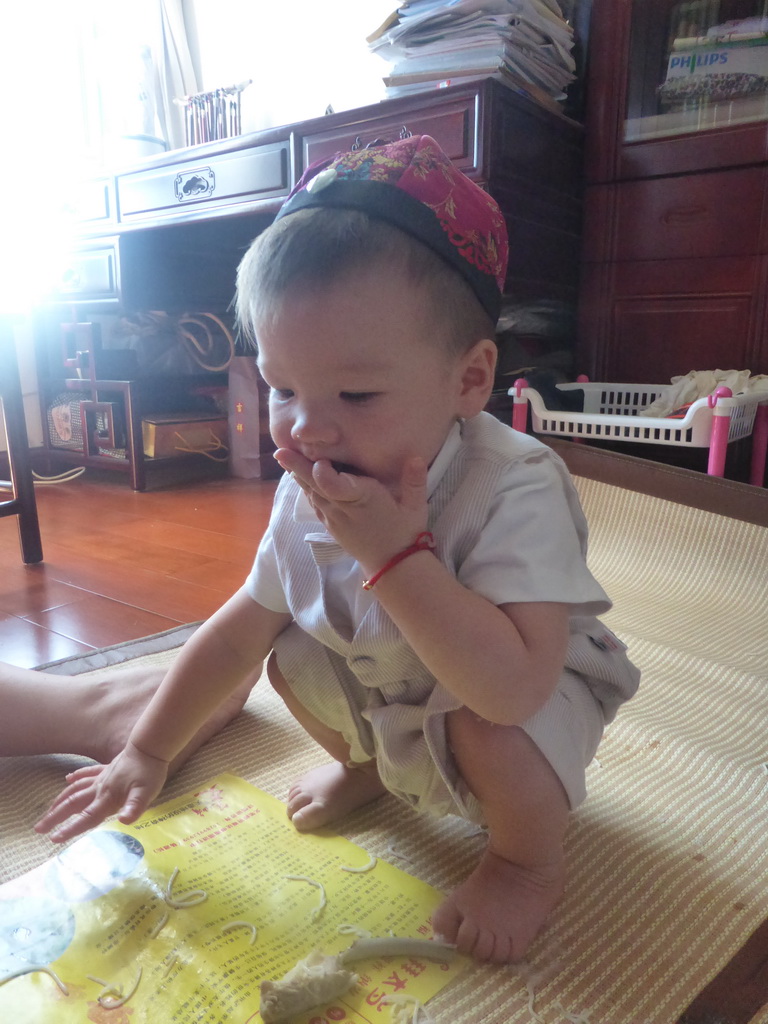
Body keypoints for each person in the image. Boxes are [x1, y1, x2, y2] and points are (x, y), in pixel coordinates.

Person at [35, 136, 640, 964]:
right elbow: (238, 630)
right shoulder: (310, 482)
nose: (308, 427)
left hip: (517, 696)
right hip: (401, 684)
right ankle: (366, 768)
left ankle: (524, 861)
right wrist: (149, 746)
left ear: (469, 379)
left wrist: (397, 558)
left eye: (356, 393)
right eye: (284, 388)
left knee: (491, 734)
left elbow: (512, 688)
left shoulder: (514, 486)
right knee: (288, 653)